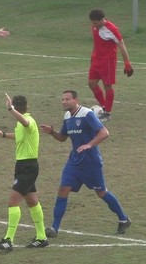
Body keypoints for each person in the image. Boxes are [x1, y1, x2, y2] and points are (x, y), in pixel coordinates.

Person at [39, 90, 131, 236]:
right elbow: (63, 138)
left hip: (91, 162)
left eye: (67, 99)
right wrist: (51, 132)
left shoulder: (87, 114)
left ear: (75, 100)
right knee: (63, 189)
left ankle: (123, 219)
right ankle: (54, 228)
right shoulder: (67, 116)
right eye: (62, 99)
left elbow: (104, 132)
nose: (64, 102)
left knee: (101, 192)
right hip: (74, 161)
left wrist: (90, 144)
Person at [0, 93, 49, 251]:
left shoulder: (28, 120)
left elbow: (25, 122)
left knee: (13, 202)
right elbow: (19, 136)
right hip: (24, 166)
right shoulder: (22, 124)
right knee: (32, 201)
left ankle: (8, 239)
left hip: (28, 167)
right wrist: (3, 135)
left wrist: (10, 109)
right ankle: (42, 237)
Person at [87, 9, 133, 122]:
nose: (94, 25)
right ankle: (103, 106)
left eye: (95, 23)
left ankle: (107, 113)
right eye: (92, 22)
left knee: (107, 86)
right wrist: (92, 57)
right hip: (96, 60)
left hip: (108, 61)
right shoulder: (95, 27)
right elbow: (96, 43)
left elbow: (121, 45)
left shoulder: (112, 29)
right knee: (91, 83)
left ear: (102, 20)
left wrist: (127, 63)